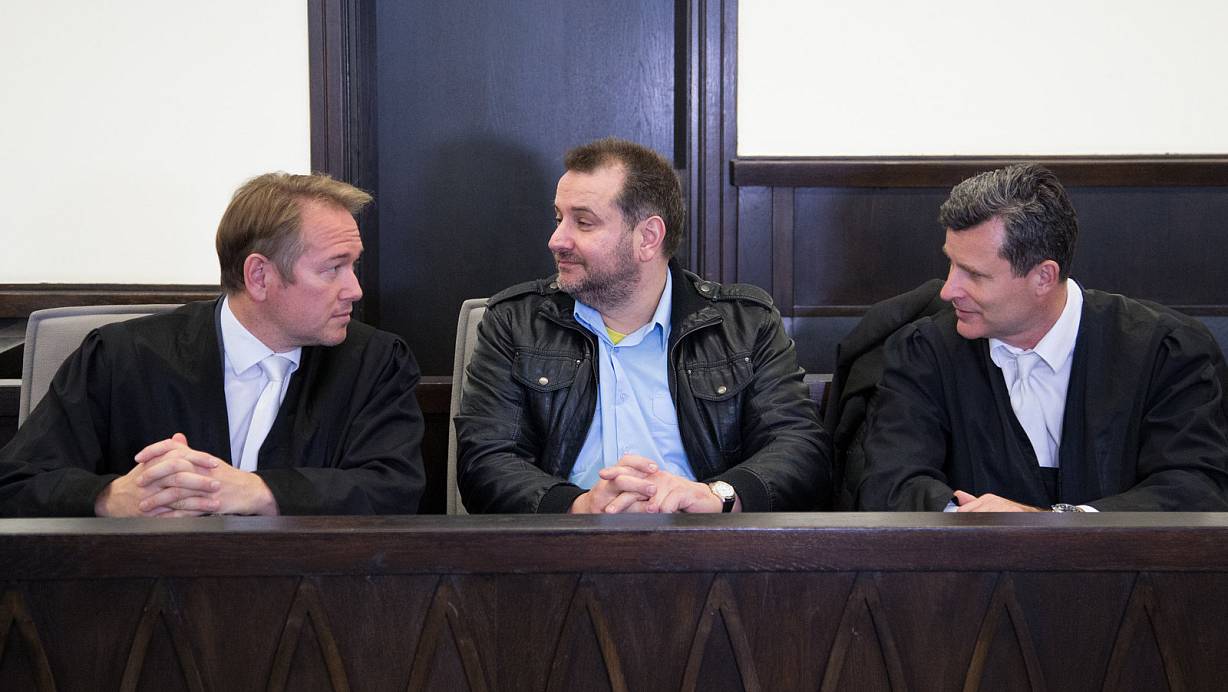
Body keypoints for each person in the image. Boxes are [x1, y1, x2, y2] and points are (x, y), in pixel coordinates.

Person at [0, 172, 425, 517]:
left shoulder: (375, 362)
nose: (355, 289)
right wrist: (112, 497)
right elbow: (16, 483)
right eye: (334, 268)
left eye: (353, 265)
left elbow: (395, 490)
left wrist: (255, 491)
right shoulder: (122, 357)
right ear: (259, 276)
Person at [456, 137, 829, 514]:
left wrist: (716, 496)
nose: (556, 240)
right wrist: (578, 507)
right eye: (559, 218)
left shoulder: (745, 326)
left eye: (583, 222)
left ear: (648, 238)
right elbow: (485, 461)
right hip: (564, 553)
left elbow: (800, 449)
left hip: (707, 553)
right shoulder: (515, 323)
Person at [854, 163, 1228, 511]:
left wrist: (1059, 523)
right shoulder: (924, 352)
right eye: (951, 264)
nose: (949, 290)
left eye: (974, 274)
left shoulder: (1164, 352)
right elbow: (889, 481)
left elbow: (1195, 486)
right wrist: (964, 518)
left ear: (1043, 277)